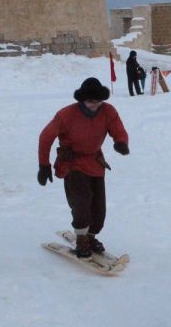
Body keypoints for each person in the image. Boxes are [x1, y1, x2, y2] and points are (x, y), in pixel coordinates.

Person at [38, 77, 129, 258]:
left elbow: (118, 128)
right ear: (82, 100)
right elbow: (45, 137)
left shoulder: (108, 111)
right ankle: (81, 239)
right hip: (72, 163)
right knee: (82, 201)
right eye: (90, 102)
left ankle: (90, 236)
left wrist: (121, 142)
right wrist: (44, 165)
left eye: (98, 102)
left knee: (99, 208)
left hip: (95, 163)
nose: (94, 106)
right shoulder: (66, 115)